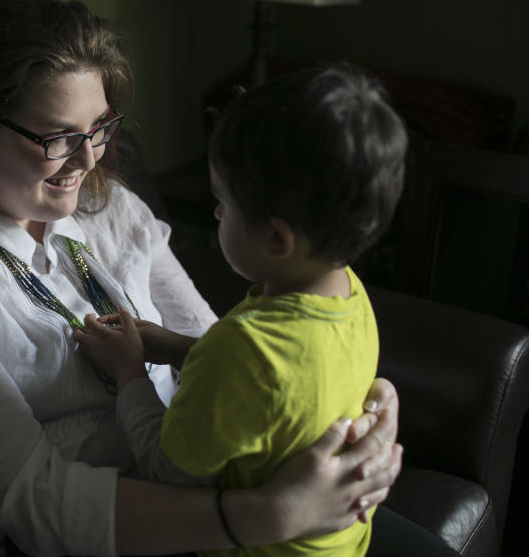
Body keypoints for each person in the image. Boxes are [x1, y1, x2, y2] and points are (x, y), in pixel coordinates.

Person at [0, 0, 401, 557]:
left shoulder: (110, 207)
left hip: (198, 507)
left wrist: (362, 408)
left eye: (100, 127)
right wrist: (274, 514)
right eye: (56, 137)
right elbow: (35, 502)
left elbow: (228, 356)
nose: (88, 161)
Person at [74, 63, 407, 556]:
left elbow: (167, 475)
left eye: (222, 203)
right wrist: (174, 346)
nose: (214, 214)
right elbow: (274, 394)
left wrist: (129, 374)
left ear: (276, 238)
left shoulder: (245, 348)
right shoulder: (350, 296)